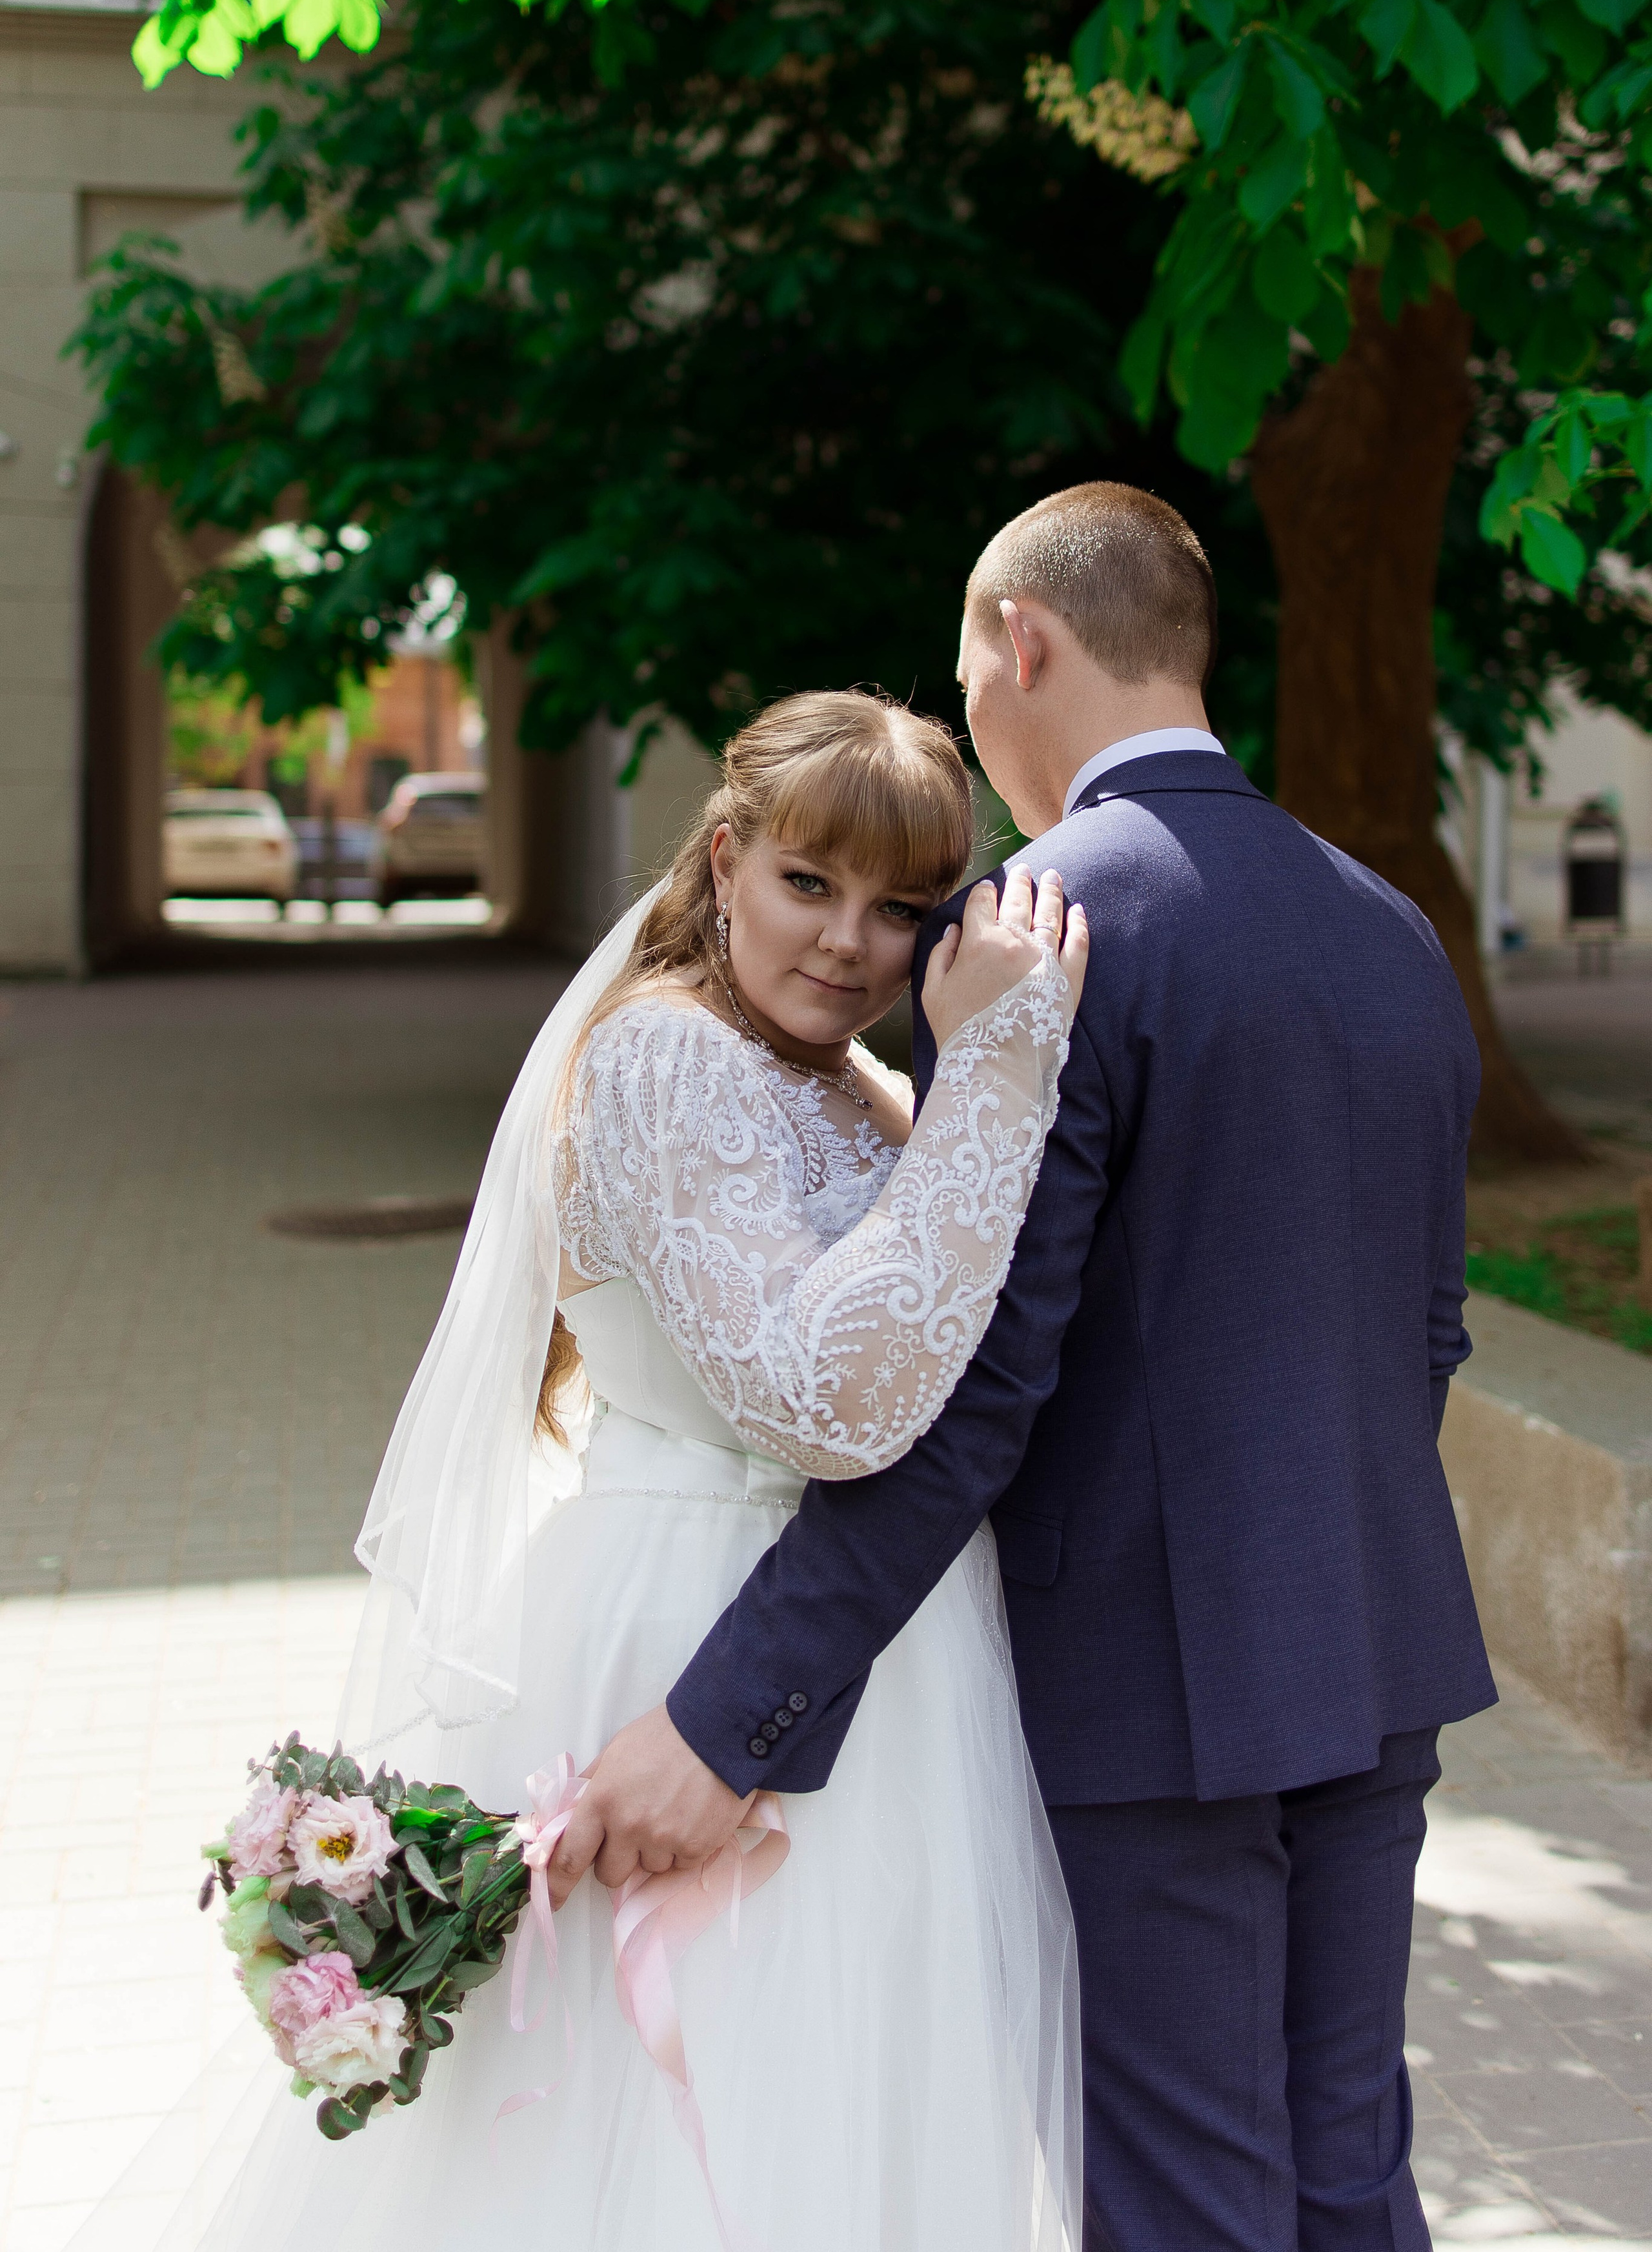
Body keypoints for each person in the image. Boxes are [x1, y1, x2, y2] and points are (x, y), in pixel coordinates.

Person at [563, 484, 1497, 2252]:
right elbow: (1429, 1330)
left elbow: (980, 1383)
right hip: (1378, 1647)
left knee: (1185, 2194)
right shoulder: (1389, 921)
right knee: (1349, 2170)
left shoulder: (1040, 926)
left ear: (1024, 643)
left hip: (1149, 1684)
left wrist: (729, 1714)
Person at [158, 688, 1088, 2252]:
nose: (849, 943)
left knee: (849, 2110)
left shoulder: (860, 1087)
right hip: (691, 1620)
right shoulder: (664, 1057)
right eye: (808, 882)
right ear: (724, 861)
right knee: (682, 2110)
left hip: (872, 1641)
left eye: (899, 908)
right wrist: (996, 1075)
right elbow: (825, 1402)